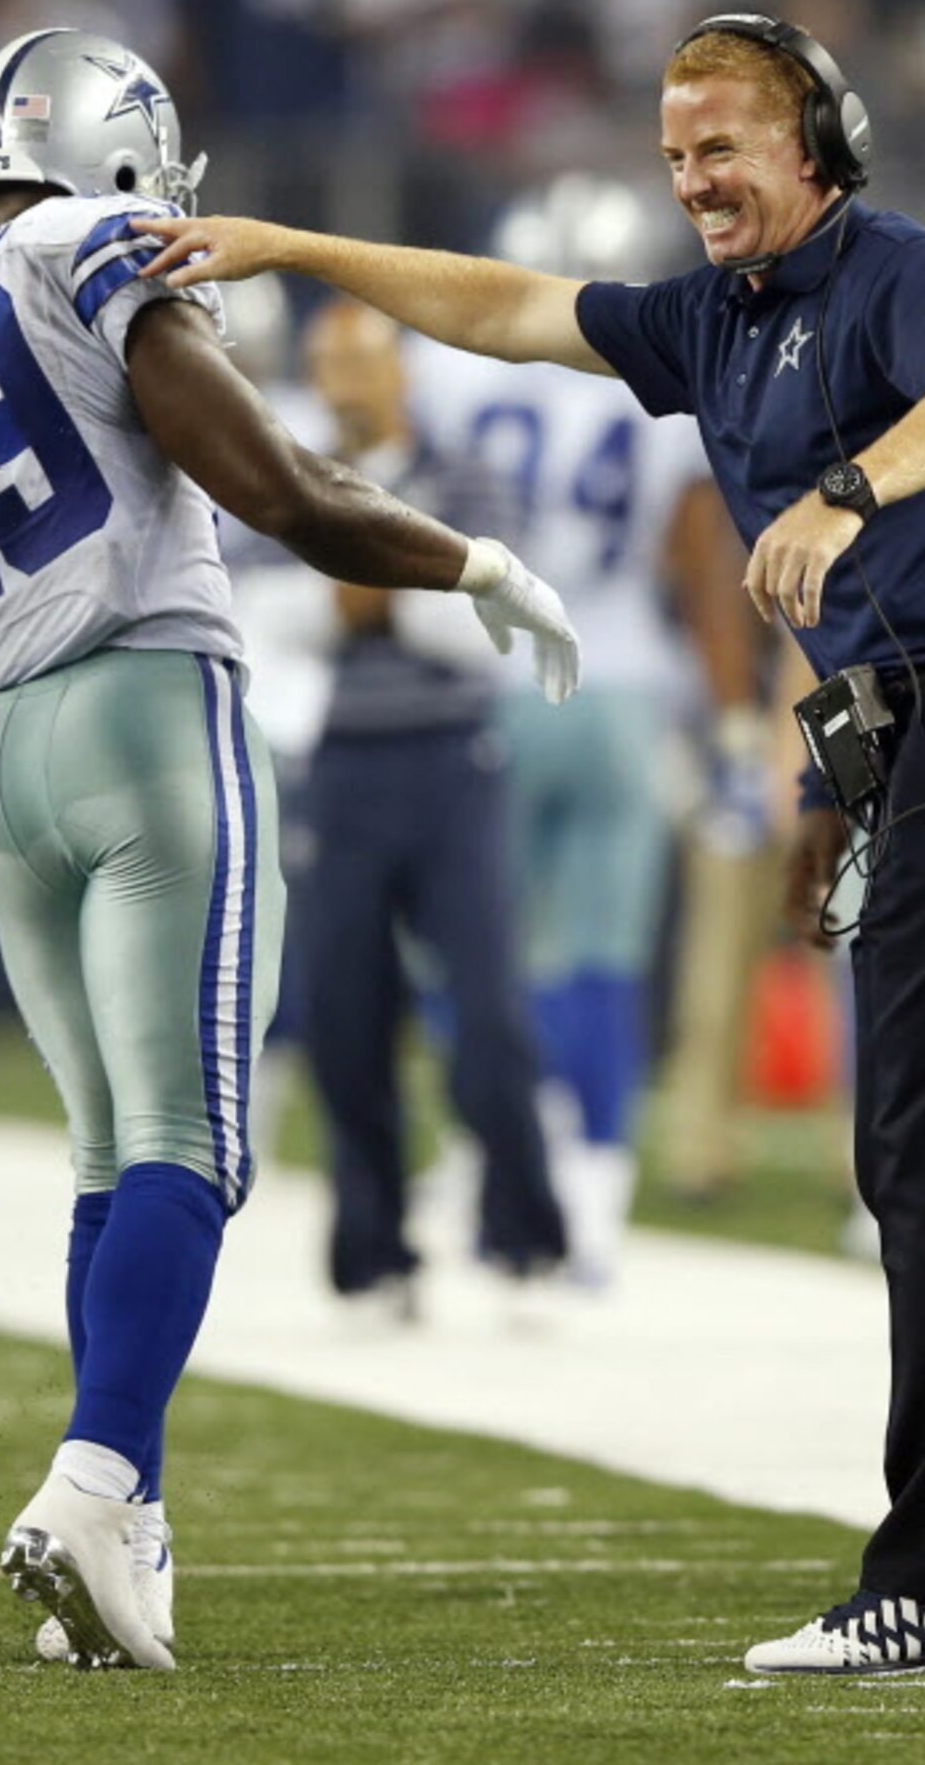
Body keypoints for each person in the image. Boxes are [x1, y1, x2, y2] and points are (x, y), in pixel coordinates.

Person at [135, 13, 925, 1679]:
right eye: (675, 148)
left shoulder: (894, 264)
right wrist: (290, 244)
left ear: (815, 144)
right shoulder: (718, 310)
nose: (692, 176)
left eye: (723, 146)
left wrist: (847, 488)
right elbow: (506, 305)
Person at [0, 27, 578, 1672]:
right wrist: (473, 562)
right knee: (193, 1141)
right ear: (112, 153)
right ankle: (90, 1480)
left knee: (107, 1157)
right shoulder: (93, 247)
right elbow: (279, 493)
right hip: (150, 712)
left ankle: (122, 1513)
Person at [407, 176, 755, 1284]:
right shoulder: (665, 371)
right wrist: (737, 720)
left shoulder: (446, 368)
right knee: (601, 957)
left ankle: (484, 1160)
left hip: (488, 682)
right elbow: (701, 566)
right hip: (617, 687)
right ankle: (594, 1194)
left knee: (478, 950)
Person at [295, 298, 570, 1312]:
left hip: (458, 760)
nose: (342, 384)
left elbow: (491, 629)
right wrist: (388, 597)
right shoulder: (283, 470)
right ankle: (374, 1252)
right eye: (325, 365)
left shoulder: (467, 470)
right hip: (340, 765)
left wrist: (369, 597)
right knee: (344, 1015)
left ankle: (524, 1239)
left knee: (493, 1012)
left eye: (359, 362)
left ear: (400, 369)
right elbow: (257, 617)